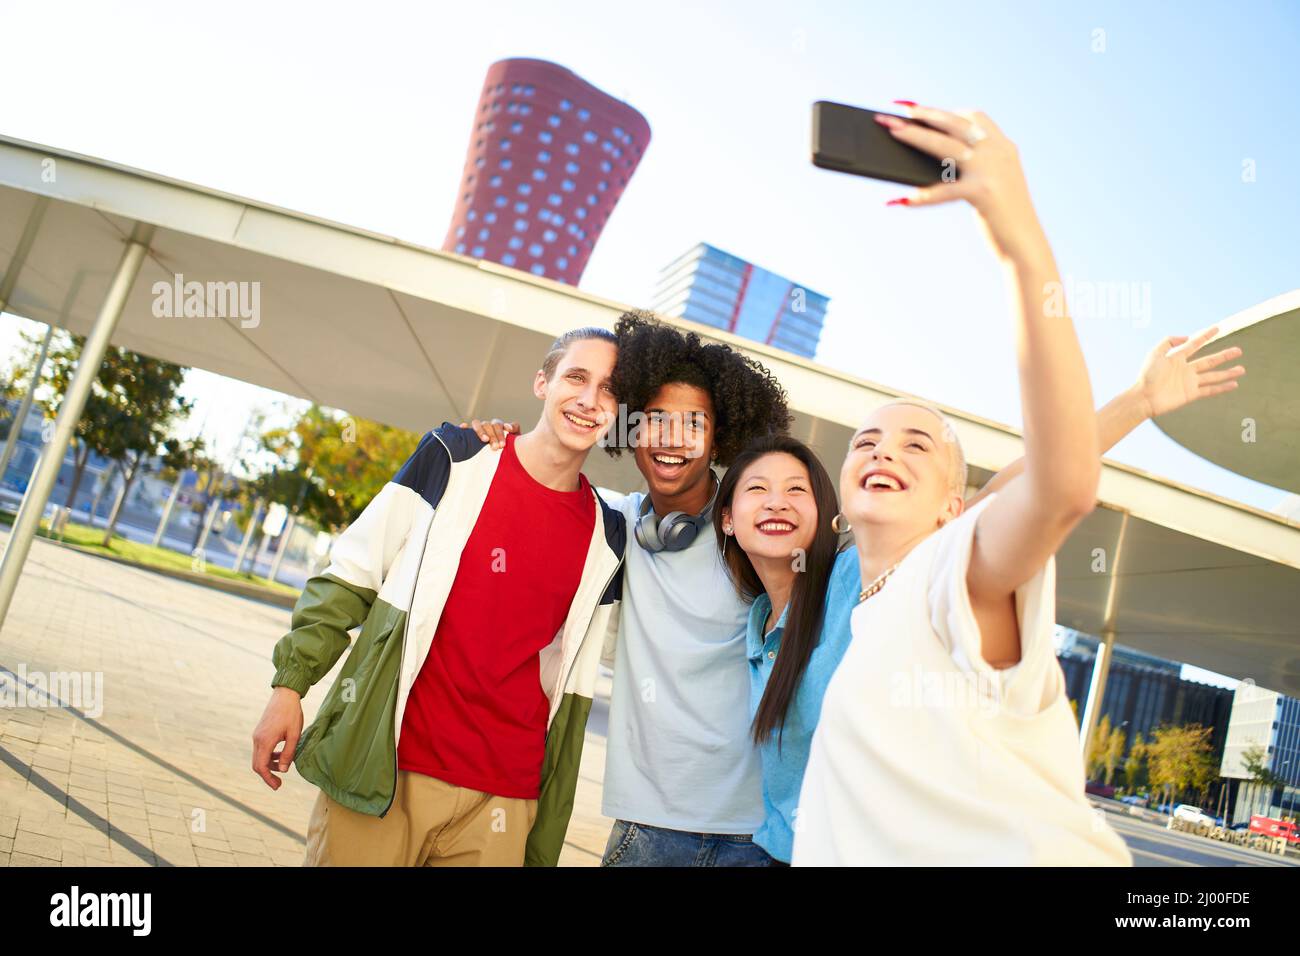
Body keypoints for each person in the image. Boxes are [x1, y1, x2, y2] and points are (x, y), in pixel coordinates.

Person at [713, 323, 1243, 864]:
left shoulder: (863, 578)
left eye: (796, 490)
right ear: (728, 520)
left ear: (833, 510)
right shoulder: (754, 626)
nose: (776, 503)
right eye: (757, 490)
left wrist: (1139, 401)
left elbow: (1002, 493)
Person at [792, 102, 1139, 865]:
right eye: (867, 441)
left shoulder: (952, 571)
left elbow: (1058, 486)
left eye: (917, 443)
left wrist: (1021, 248)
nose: (885, 451)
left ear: (956, 506)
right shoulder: (873, 609)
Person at [249, 327, 627, 867]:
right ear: (543, 382)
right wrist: (289, 687)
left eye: (609, 389)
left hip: (505, 800)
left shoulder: (607, 538)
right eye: (576, 377)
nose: (590, 399)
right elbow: (355, 571)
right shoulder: (454, 460)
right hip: (388, 765)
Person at [470, 309, 795, 865]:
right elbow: (538, 492)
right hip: (649, 826)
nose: (672, 439)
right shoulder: (611, 525)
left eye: (695, 422)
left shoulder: (757, 528)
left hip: (756, 835)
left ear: (721, 439)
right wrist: (490, 443)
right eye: (656, 419)